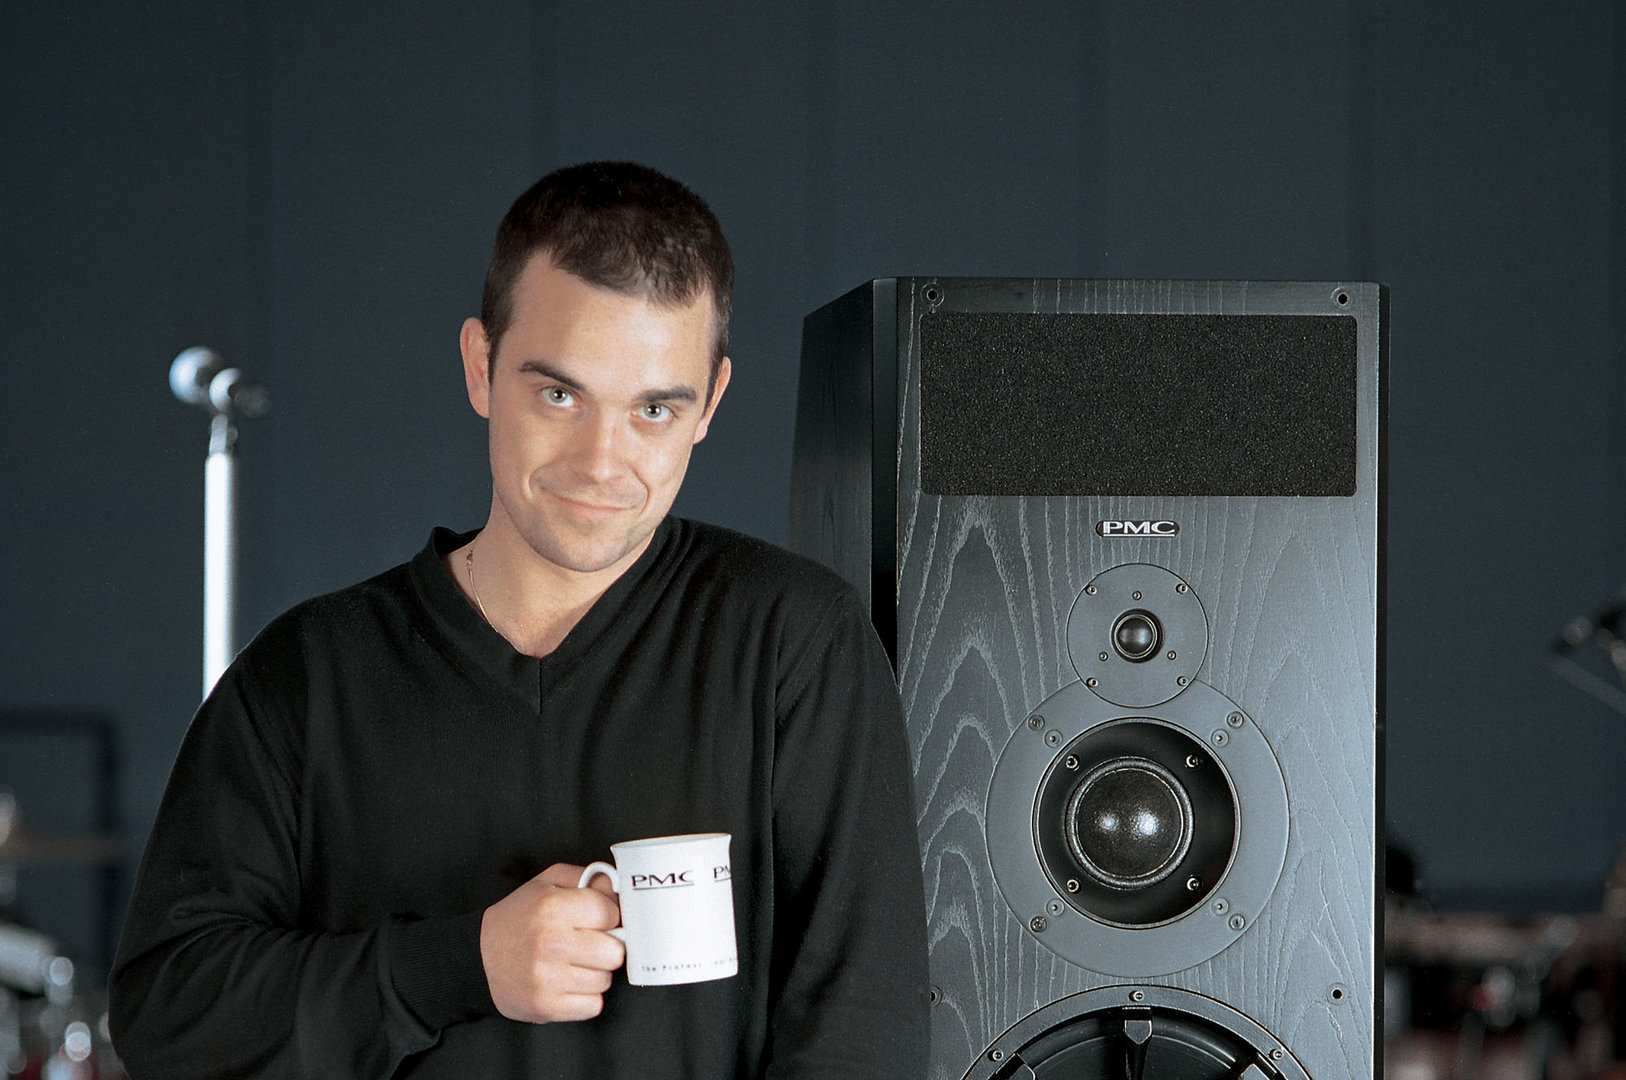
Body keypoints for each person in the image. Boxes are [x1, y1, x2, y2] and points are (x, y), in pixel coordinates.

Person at [108, 161, 931, 1078]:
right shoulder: (308, 675)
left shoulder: (794, 644)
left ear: (710, 405)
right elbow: (166, 1014)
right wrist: (456, 966)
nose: (601, 462)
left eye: (654, 409)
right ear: (480, 366)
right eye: (559, 395)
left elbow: (865, 1034)